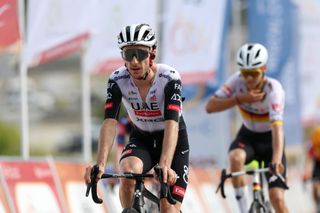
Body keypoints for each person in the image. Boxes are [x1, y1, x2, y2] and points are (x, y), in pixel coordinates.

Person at [84, 23, 189, 213]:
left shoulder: (169, 77)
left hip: (173, 141)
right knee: (128, 173)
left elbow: (172, 124)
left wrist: (165, 165)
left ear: (151, 54)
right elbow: (109, 122)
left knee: (168, 209)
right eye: (128, 53)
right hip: (142, 139)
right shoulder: (117, 80)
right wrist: (100, 163)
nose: (134, 61)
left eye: (140, 54)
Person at [205, 43, 289, 213]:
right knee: (235, 158)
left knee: (277, 198)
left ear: (263, 68)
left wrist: (277, 159)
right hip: (248, 137)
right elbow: (210, 106)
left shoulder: (274, 90)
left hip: (270, 140)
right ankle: (243, 210)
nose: (248, 79)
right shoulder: (237, 82)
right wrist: (240, 99)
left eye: (253, 73)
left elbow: (277, 129)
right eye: (245, 73)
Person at [303, 126, 320, 212]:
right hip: (317, 164)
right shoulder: (312, 144)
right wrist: (306, 173)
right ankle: (317, 205)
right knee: (315, 186)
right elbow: (309, 159)